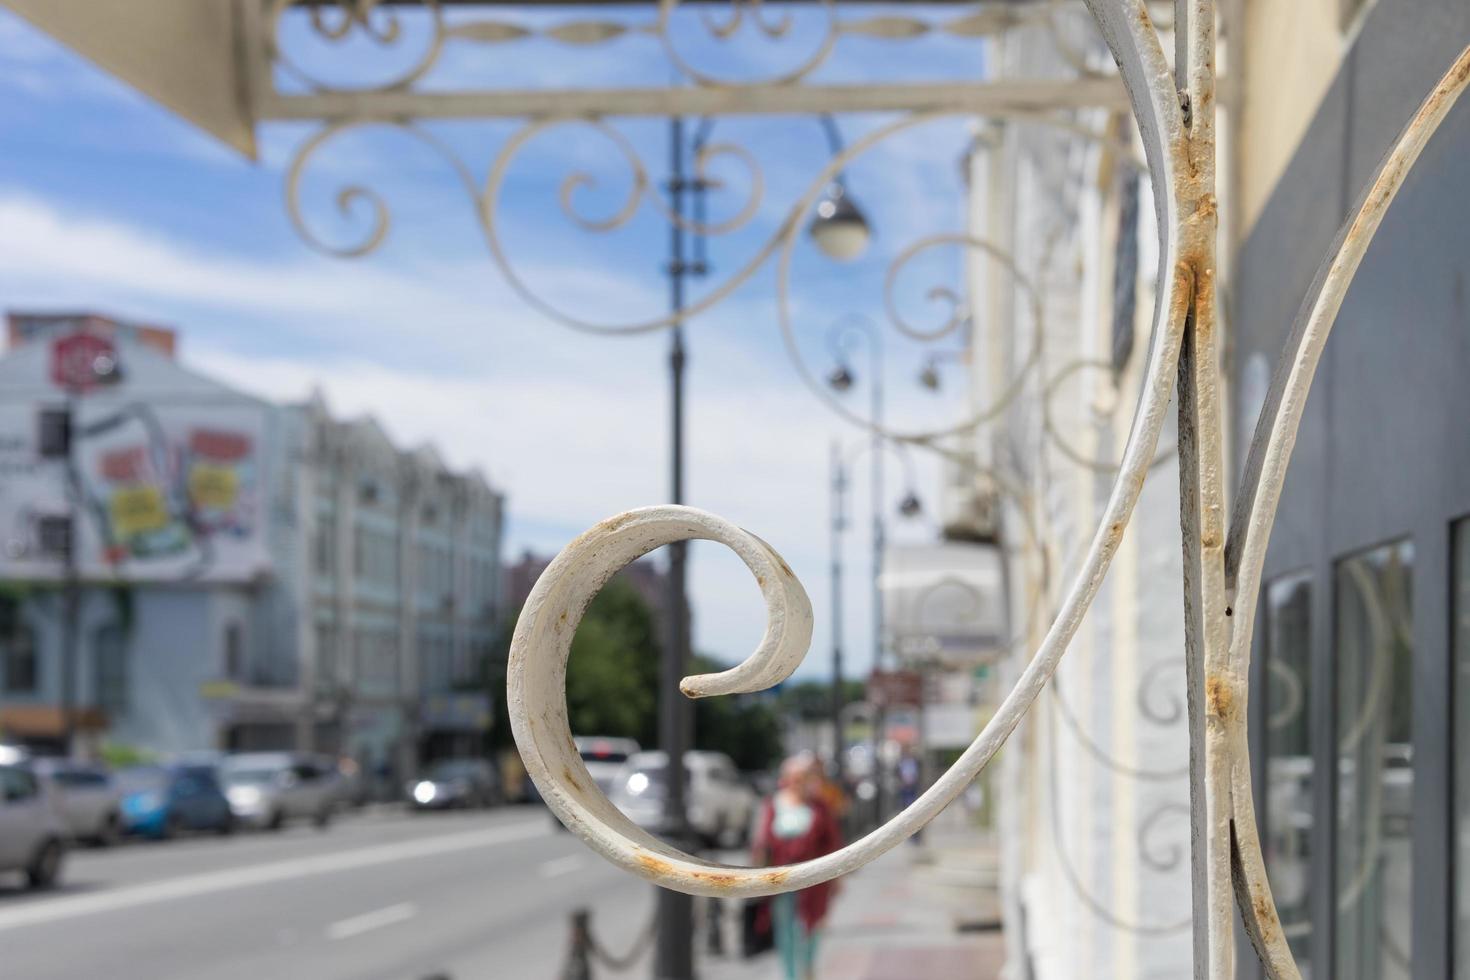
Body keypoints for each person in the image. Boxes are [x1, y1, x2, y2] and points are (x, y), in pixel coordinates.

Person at [751, 753, 842, 980]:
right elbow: (763, 842)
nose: (799, 782)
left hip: (814, 881)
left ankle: (808, 972)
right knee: (786, 931)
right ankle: (790, 976)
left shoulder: (819, 806)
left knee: (812, 928)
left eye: (804, 777)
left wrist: (838, 879)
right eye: (795, 777)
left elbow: (833, 843)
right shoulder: (774, 803)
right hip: (781, 880)